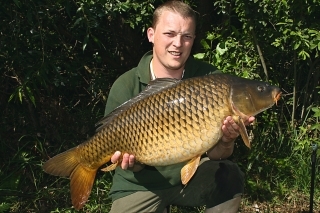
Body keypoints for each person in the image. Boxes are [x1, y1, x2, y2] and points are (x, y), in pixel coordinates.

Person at [104, 1, 254, 212]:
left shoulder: (210, 80)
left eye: (186, 36)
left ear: (193, 40)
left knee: (228, 175)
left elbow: (217, 154)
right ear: (151, 34)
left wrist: (227, 140)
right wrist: (132, 161)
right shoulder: (126, 85)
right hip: (139, 185)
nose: (178, 43)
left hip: (191, 179)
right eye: (169, 34)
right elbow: (133, 167)